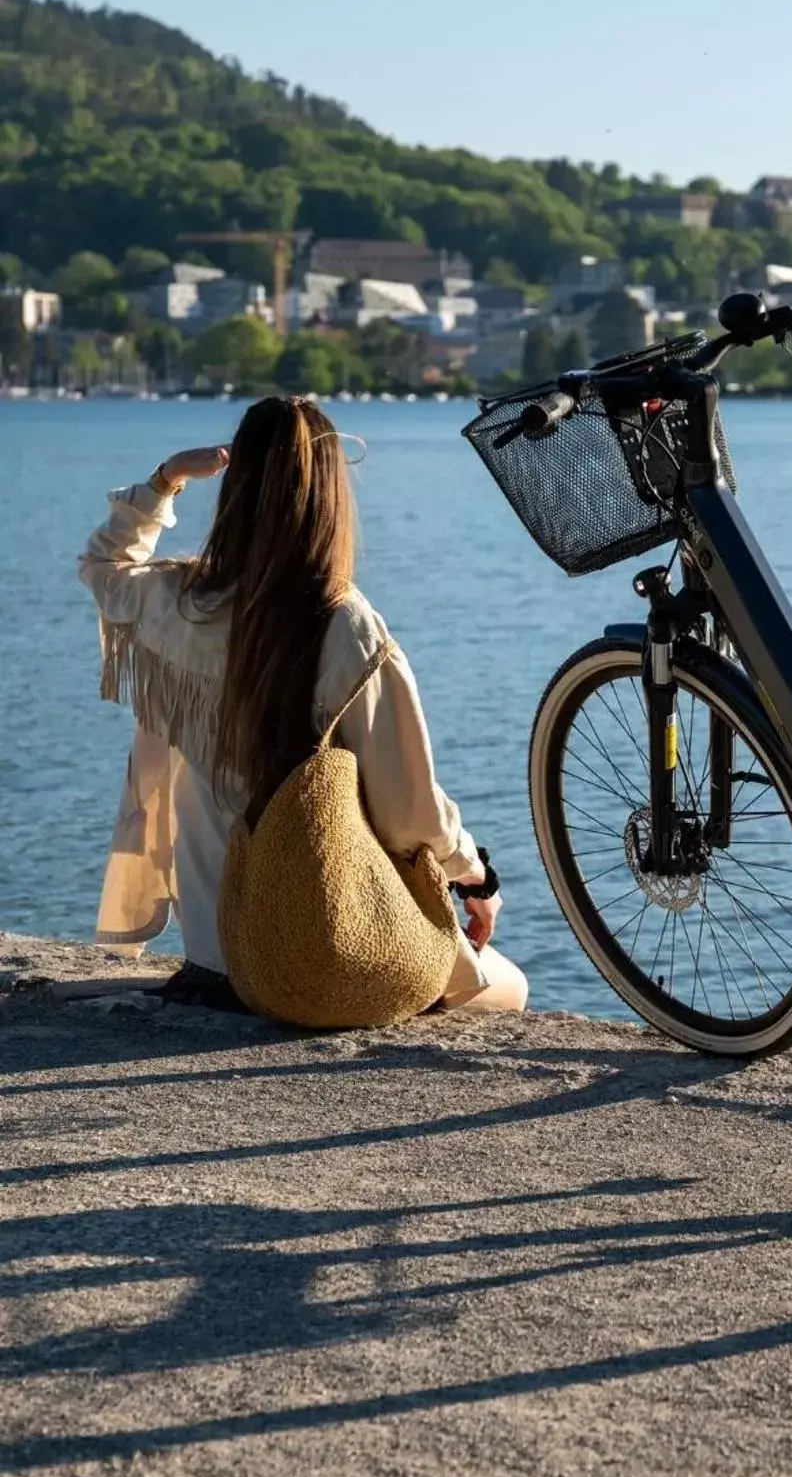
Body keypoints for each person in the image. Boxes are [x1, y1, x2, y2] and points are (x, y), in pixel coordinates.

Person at [78, 395, 527, 1016]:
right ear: (331, 499)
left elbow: (105, 566)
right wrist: (476, 874)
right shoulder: (345, 626)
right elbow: (410, 812)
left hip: (214, 961)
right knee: (509, 987)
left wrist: (165, 481)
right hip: (308, 959)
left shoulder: (181, 602)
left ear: (234, 491)